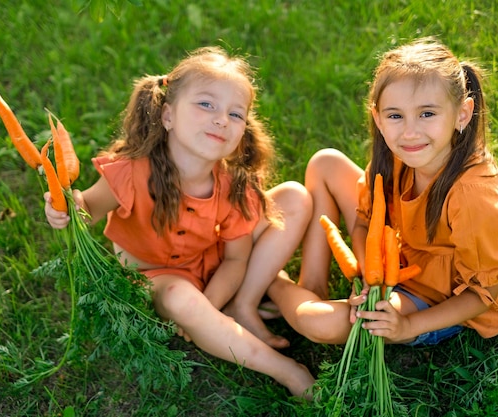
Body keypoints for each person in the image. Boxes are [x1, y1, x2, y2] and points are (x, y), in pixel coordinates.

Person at [44, 46, 314, 397]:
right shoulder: (131, 171)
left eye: (236, 114)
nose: (222, 119)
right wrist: (65, 208)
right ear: (167, 116)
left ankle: (241, 305)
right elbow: (86, 210)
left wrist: (213, 304)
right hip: (158, 277)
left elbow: (235, 259)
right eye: (206, 104)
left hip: (212, 262)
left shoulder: (231, 186)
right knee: (182, 301)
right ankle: (287, 371)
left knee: (294, 196)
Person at [267, 37, 498, 346]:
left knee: (319, 323)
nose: (410, 132)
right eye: (395, 116)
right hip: (402, 254)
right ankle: (313, 282)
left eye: (427, 114)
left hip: (443, 293)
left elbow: (483, 293)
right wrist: (370, 277)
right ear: (378, 119)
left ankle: (274, 284)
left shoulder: (474, 197)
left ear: (462, 114)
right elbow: (364, 221)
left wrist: (406, 325)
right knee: (325, 162)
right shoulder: (399, 157)